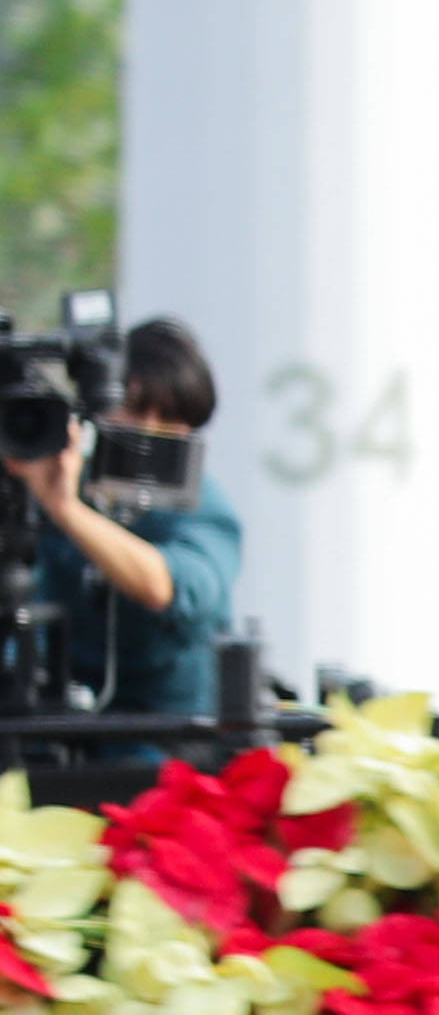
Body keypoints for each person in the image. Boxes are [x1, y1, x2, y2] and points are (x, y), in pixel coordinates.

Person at [0, 316, 239, 777]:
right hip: (50, 741)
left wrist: (67, 512)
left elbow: (167, 587)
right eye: (130, 408)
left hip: (166, 755)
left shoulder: (202, 505)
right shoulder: (55, 477)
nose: (146, 430)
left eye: (168, 418)